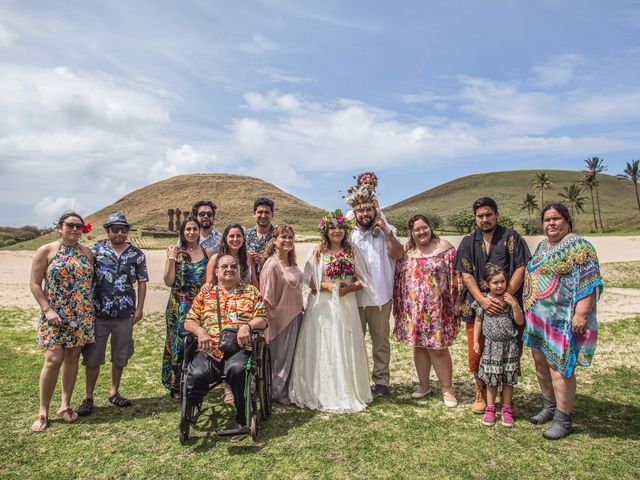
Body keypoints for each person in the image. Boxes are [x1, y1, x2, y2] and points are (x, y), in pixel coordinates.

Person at [523, 203, 603, 440]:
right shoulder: (542, 246)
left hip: (562, 320)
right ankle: (549, 406)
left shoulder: (580, 247)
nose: (551, 223)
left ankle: (563, 418)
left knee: (559, 367)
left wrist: (581, 314)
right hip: (538, 320)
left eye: (556, 218)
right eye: (547, 220)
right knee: (540, 365)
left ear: (567, 220)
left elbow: (589, 283)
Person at [289, 210, 374, 412]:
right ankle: (318, 389)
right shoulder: (317, 251)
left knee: (344, 341)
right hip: (322, 304)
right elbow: (308, 279)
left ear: (345, 230)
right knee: (323, 341)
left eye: (340, 227)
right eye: (332, 227)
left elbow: (363, 280)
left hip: (346, 302)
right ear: (325, 231)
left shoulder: (352, 251)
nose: (337, 231)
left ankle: (347, 388)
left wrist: (349, 289)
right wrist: (326, 287)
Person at [455, 197, 531, 413]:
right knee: (476, 351)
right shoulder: (468, 242)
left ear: (496, 214)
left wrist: (503, 297)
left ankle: (508, 398)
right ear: (475, 218)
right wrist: (483, 299)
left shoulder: (511, 237)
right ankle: (481, 391)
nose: (484, 219)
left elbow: (520, 267)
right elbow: (466, 274)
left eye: (488, 215)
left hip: (509, 305)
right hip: (477, 306)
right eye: (480, 216)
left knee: (511, 351)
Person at [184, 254, 267, 439]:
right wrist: (200, 332)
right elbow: (188, 321)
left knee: (237, 370)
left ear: (238, 270)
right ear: (216, 271)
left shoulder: (251, 292)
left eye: (233, 266)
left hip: (239, 350)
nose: (229, 269)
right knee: (196, 375)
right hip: (209, 351)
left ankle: (241, 417)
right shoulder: (205, 294)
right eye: (224, 266)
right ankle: (193, 404)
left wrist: (247, 326)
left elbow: (262, 318)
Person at [77, 213, 148, 416]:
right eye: (115, 229)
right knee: (93, 356)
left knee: (120, 355)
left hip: (125, 313)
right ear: (108, 231)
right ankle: (88, 396)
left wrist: (140, 308)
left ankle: (114, 391)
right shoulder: (96, 250)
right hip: (99, 312)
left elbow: (142, 281)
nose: (119, 233)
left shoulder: (136, 253)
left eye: (123, 229)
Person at [29, 212, 95, 432]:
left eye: (79, 226)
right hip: (55, 314)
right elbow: (35, 284)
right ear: (60, 227)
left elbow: (90, 283)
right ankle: (43, 409)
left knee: (73, 356)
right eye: (70, 225)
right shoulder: (46, 251)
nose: (75, 229)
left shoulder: (86, 252)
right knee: (53, 358)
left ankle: (65, 404)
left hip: (81, 314)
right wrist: (47, 309)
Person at [393, 214, 461, 407]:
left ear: (430, 228)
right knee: (419, 346)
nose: (421, 232)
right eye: (416, 230)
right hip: (414, 309)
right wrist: (399, 304)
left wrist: (457, 300)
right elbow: (399, 279)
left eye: (424, 228)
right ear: (411, 233)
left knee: (438, 348)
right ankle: (424, 385)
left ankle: (447, 390)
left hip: (438, 308)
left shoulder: (445, 248)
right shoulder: (407, 251)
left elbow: (455, 276)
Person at [347, 187, 404, 396]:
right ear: (354, 213)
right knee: (355, 341)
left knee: (380, 341)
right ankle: (359, 380)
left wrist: (387, 231)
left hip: (380, 296)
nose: (365, 215)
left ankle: (381, 381)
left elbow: (399, 254)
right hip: (354, 296)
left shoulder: (386, 231)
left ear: (375, 211)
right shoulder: (348, 235)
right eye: (360, 211)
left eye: (368, 210)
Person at [162, 215, 211, 397]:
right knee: (177, 344)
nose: (191, 232)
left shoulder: (207, 253)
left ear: (199, 232)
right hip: (179, 305)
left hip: (199, 304)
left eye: (195, 229)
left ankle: (195, 379)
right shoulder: (175, 252)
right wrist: (172, 259)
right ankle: (176, 384)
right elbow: (168, 281)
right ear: (182, 232)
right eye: (188, 229)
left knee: (197, 342)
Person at [472, 265, 524, 427]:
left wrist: (514, 305)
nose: (500, 285)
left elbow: (520, 321)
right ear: (487, 284)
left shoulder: (510, 300)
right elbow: (478, 321)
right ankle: (490, 409)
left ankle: (507, 410)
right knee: (491, 380)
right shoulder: (483, 301)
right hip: (491, 347)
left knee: (508, 380)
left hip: (509, 346)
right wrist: (475, 341)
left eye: (502, 281)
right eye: (495, 282)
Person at [260, 224, 303, 404]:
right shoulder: (272, 265)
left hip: (295, 316)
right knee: (280, 358)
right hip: (279, 319)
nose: (287, 240)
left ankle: (288, 388)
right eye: (283, 237)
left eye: (290, 237)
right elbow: (266, 297)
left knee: (291, 357)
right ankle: (276, 392)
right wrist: (265, 324)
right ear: (274, 241)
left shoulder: (291, 263)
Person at [205, 224, 258, 288]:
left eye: (238, 236)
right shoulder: (215, 259)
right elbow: (209, 285)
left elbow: (254, 282)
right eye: (231, 236)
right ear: (225, 238)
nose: (235, 239)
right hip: (223, 296)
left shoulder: (248, 256)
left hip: (246, 296)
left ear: (243, 238)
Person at [345, 172, 396, 237]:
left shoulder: (373, 199)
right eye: (365, 183)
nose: (368, 185)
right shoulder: (357, 194)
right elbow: (354, 204)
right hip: (358, 212)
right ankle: (346, 226)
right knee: (350, 217)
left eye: (371, 183)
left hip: (373, 213)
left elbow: (377, 208)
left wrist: (378, 216)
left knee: (378, 222)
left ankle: (376, 229)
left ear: (374, 187)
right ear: (360, 185)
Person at [245, 197, 275, 279]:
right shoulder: (244, 235)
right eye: (260, 212)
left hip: (271, 283)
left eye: (267, 212)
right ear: (254, 214)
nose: (263, 216)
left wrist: (266, 261)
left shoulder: (279, 237)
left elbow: (287, 262)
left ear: (272, 215)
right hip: (248, 285)